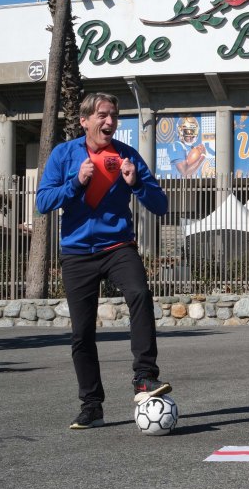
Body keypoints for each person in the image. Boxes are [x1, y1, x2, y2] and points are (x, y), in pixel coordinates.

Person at [36, 92, 171, 430]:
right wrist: (76, 182)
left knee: (139, 293)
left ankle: (144, 377)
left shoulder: (126, 156)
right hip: (77, 253)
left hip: (117, 245)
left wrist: (136, 182)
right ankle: (92, 405)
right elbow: (42, 202)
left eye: (113, 115)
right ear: (84, 121)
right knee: (82, 333)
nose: (110, 121)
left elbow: (161, 205)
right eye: (102, 115)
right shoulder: (63, 155)